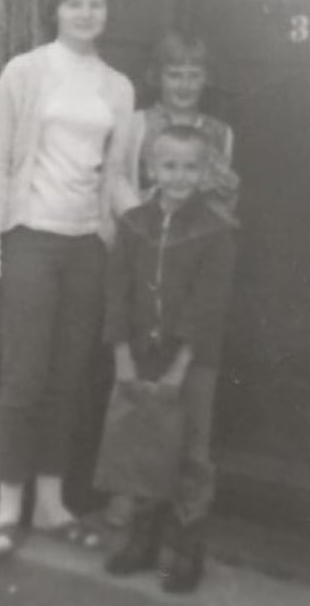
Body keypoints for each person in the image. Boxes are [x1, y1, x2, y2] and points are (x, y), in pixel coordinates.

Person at [0, 0, 135, 557]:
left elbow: (116, 180)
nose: (88, 12)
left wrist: (145, 221)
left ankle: (50, 502)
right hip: (31, 241)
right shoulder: (25, 73)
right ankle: (8, 507)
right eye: (76, 2)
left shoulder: (118, 88)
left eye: (97, 2)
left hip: (86, 247)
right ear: (54, 10)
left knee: (67, 381)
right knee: (23, 379)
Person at [102, 30, 239, 530]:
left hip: (194, 266)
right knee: (136, 399)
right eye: (174, 74)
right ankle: (131, 497)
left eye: (193, 74)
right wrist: (143, 218)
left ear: (206, 78)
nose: (183, 85)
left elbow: (223, 205)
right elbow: (116, 176)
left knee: (188, 410)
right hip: (146, 263)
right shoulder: (140, 124)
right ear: (157, 77)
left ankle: (184, 518)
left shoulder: (220, 134)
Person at [93, 124, 236, 593]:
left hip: (193, 364)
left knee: (191, 451)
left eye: (190, 167)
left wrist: (180, 367)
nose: (179, 177)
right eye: (169, 166)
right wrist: (121, 355)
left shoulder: (217, 231)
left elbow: (207, 305)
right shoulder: (134, 224)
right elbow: (117, 292)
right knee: (145, 446)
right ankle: (144, 540)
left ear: (205, 170)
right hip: (140, 355)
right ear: (152, 168)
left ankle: (188, 548)